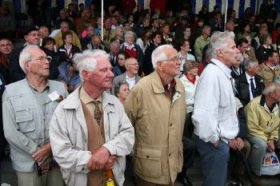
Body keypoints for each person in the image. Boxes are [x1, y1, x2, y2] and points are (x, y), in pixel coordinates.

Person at [49, 49, 135, 186]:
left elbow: (128, 135)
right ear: (86, 74)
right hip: (81, 181)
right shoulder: (64, 109)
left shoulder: (115, 103)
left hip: (113, 179)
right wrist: (93, 160)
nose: (111, 74)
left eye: (110, 69)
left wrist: (107, 150)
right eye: (103, 70)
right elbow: (61, 152)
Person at [2, 45, 68, 186]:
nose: (47, 62)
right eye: (41, 58)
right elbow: (10, 132)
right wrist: (38, 152)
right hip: (27, 164)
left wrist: (50, 148)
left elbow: (70, 122)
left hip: (56, 159)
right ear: (28, 65)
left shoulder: (60, 88)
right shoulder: (11, 92)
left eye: (47, 58)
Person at [124, 44, 186, 186]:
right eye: (174, 59)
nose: (179, 62)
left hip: (173, 166)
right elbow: (125, 123)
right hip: (148, 168)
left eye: (179, 58)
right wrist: (135, 152)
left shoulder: (180, 86)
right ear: (160, 65)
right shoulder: (141, 89)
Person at [192, 31, 243, 186]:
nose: (238, 51)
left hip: (220, 142)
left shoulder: (220, 73)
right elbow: (204, 113)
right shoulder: (212, 75)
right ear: (220, 52)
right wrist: (215, 140)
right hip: (214, 143)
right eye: (233, 47)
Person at [245, 81, 280, 185]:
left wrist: (272, 139)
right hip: (253, 133)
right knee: (261, 144)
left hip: (268, 135)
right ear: (271, 94)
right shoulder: (254, 105)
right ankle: (255, 173)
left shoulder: (277, 105)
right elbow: (252, 127)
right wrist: (267, 140)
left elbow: (277, 125)